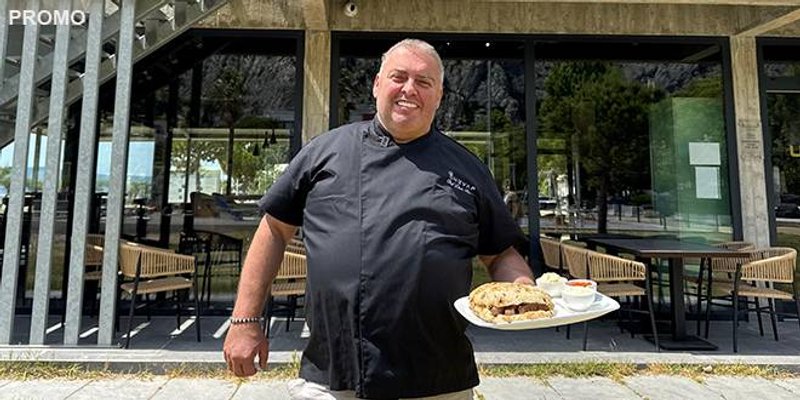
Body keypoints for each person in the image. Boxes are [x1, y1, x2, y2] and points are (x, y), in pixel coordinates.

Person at [223, 38, 534, 400]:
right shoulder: (325, 153)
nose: (409, 89)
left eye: (423, 82)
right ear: (376, 85)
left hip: (437, 377)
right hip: (334, 372)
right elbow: (274, 229)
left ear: (439, 96)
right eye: (398, 77)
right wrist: (245, 320)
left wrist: (524, 293)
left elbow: (500, 254)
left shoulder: (467, 169)